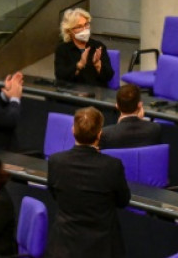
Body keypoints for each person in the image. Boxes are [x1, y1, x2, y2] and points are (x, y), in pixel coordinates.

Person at [47, 107, 131, 258]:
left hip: (64, 246)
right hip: (103, 248)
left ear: (73, 131)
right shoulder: (112, 166)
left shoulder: (56, 161)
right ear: (100, 134)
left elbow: (54, 194)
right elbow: (123, 200)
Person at [54, 8, 114, 87]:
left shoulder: (98, 46)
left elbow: (109, 76)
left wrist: (97, 64)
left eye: (86, 24)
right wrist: (79, 65)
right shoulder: (62, 49)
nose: (85, 29)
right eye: (79, 27)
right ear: (69, 31)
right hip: (72, 92)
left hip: (96, 93)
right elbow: (60, 76)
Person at [100, 84, 163, 149]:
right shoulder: (155, 129)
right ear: (139, 105)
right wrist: (139, 120)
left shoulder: (106, 134)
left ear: (117, 106)